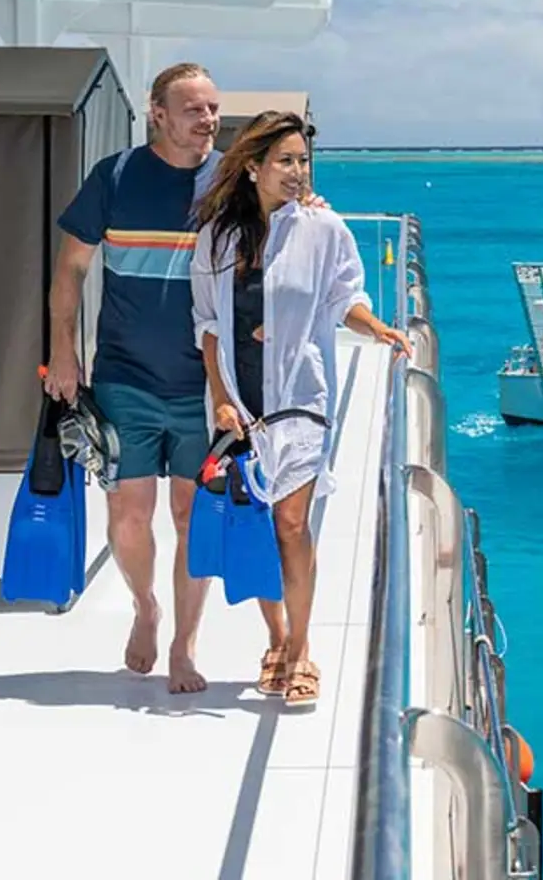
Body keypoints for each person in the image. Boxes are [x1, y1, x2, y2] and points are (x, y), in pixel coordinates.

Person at [190, 110, 412, 707]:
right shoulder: (218, 237)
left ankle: (301, 650)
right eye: (284, 160)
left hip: (302, 398)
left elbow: (344, 297)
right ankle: (276, 638)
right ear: (253, 167)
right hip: (241, 403)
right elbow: (206, 324)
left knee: (293, 524)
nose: (297, 171)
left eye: (303, 160)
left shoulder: (324, 228)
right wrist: (220, 398)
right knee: (260, 522)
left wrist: (377, 328)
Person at [44, 62, 224, 694]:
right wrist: (63, 351)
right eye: (194, 109)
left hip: (204, 383)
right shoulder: (115, 176)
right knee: (128, 513)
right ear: (158, 113)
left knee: (191, 514)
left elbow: (284, 226)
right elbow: (70, 269)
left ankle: (184, 643)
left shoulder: (231, 179)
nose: (207, 119)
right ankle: (146, 606)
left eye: (212, 108)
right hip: (125, 376)